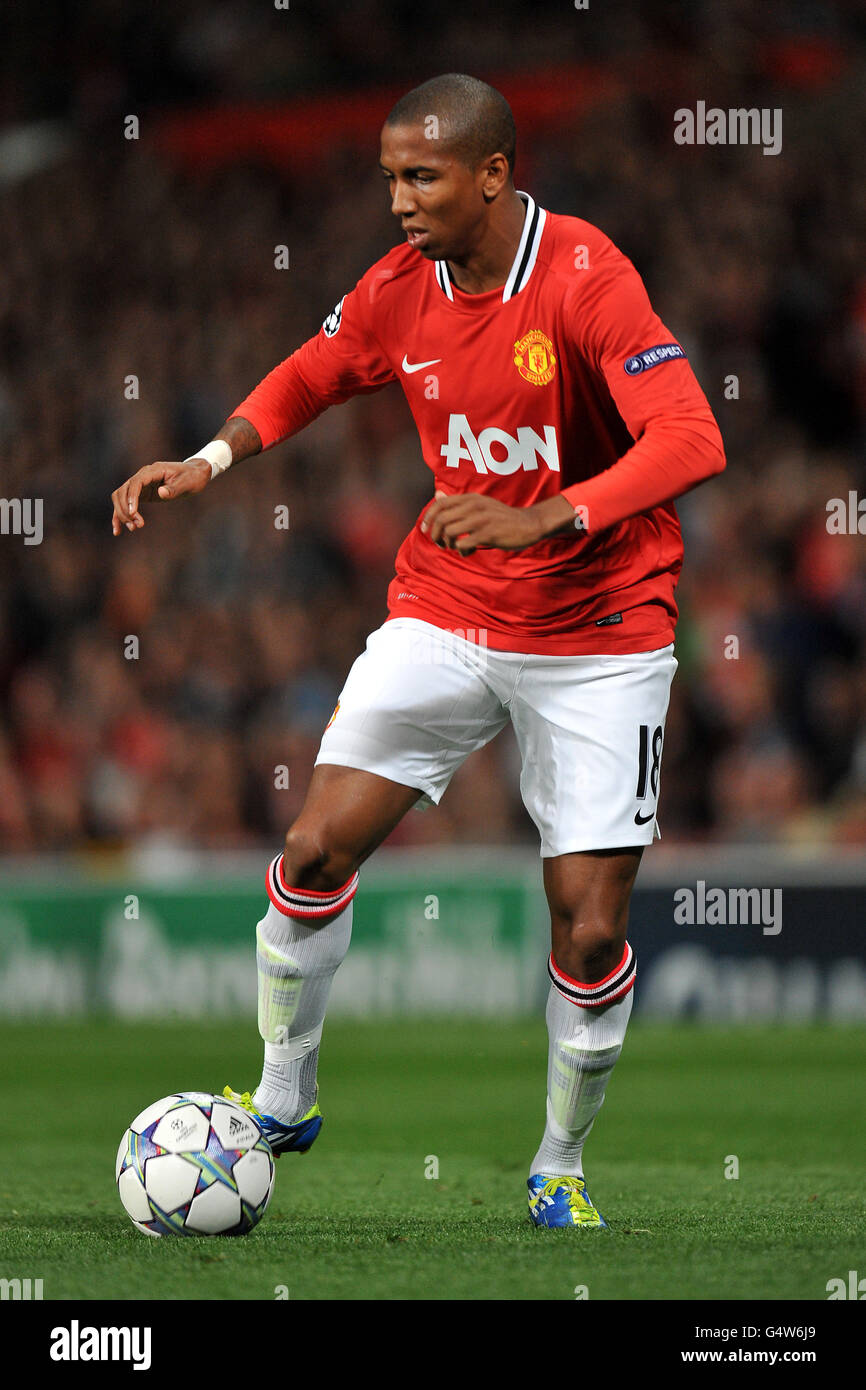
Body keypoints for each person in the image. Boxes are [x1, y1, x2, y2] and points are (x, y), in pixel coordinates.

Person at [110, 73, 725, 1229]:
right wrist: (208, 459)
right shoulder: (400, 289)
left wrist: (556, 512)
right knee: (312, 845)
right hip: (448, 609)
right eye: (389, 175)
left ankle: (557, 1163)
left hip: (598, 629)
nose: (396, 198)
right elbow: (311, 372)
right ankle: (285, 1097)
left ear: (492, 174)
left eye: (420, 175)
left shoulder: (585, 276)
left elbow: (691, 433)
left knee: (589, 925)